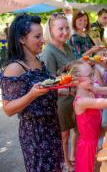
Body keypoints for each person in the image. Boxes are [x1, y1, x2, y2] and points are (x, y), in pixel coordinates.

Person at [0, 14, 63, 171]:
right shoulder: (14, 68)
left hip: (52, 127)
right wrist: (31, 95)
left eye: (42, 35)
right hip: (35, 134)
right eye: (37, 36)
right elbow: (8, 109)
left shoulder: (38, 61)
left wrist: (65, 90)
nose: (43, 40)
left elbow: (47, 90)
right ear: (22, 39)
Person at [40, 12, 76, 171]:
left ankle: (74, 156)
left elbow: (73, 67)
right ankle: (66, 162)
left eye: (67, 28)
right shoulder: (48, 51)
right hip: (61, 100)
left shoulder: (66, 46)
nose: (65, 32)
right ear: (51, 30)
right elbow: (50, 83)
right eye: (60, 28)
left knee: (76, 129)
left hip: (74, 96)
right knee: (64, 134)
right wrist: (70, 88)